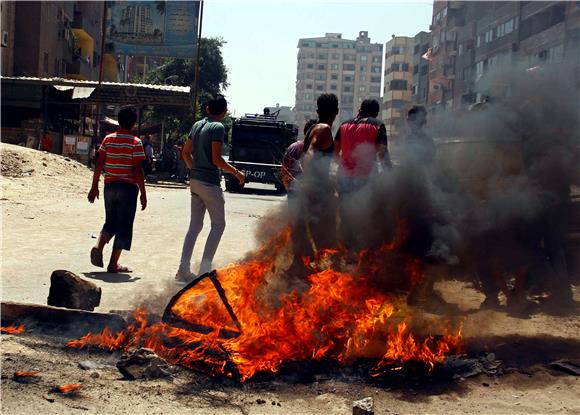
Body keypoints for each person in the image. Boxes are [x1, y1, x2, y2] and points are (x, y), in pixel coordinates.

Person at [176, 95, 246, 282]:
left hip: (195, 181)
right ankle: (204, 271)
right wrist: (237, 173)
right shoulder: (218, 127)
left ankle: (183, 269)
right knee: (218, 225)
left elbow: (185, 152)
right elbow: (217, 159)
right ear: (224, 112)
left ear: (207, 109)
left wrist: (195, 170)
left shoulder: (197, 125)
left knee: (195, 226)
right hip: (209, 183)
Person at [88, 107, 147, 273]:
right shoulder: (136, 142)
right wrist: (143, 192)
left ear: (119, 121)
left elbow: (99, 163)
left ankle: (98, 246)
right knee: (124, 226)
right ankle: (113, 264)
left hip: (109, 186)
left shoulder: (108, 139)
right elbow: (137, 170)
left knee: (110, 222)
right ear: (134, 123)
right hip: (127, 188)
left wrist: (94, 186)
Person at [334, 99, 390, 249]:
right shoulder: (377, 125)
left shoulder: (344, 125)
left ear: (359, 109)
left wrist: (344, 166)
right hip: (365, 180)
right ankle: (359, 253)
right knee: (365, 216)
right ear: (376, 113)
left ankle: (345, 252)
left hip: (344, 178)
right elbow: (383, 153)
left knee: (345, 216)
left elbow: (334, 151)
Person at [281, 119, 316, 192]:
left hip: (293, 190)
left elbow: (284, 169)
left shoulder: (293, 147)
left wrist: (288, 187)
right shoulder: (318, 149)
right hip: (310, 193)